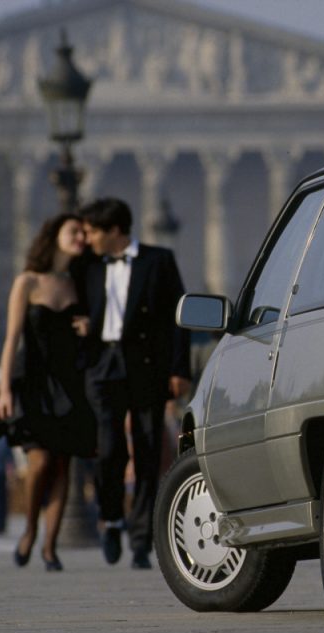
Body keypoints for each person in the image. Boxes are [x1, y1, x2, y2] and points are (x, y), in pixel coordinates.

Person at [78, 197, 190, 569]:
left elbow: (179, 317)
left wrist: (179, 369)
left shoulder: (158, 261)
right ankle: (111, 518)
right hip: (103, 364)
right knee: (109, 449)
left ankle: (141, 540)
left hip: (145, 366)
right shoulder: (87, 267)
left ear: (114, 231)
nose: (86, 238)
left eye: (92, 231)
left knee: (146, 450)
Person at [0, 212, 97, 572]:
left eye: (84, 234)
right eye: (74, 232)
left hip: (69, 384)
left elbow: (95, 330)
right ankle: (30, 529)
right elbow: (11, 339)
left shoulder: (79, 283)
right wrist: (4, 389)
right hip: (34, 381)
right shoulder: (27, 282)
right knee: (39, 462)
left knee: (63, 465)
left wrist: (88, 326)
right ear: (53, 235)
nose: (81, 239)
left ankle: (50, 548)